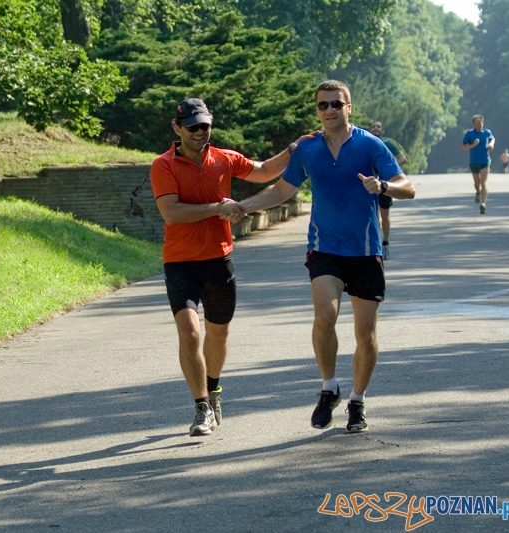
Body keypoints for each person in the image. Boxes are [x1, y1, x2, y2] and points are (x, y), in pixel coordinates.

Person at [238, 80, 416, 433]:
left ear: (349, 107)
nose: (330, 110)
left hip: (365, 251)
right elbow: (280, 191)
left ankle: (357, 400)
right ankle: (328, 387)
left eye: (337, 104)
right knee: (325, 317)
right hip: (325, 249)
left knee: (365, 336)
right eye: (323, 105)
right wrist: (242, 205)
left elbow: (407, 187)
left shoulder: (370, 145)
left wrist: (382, 186)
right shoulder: (308, 150)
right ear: (317, 110)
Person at [150, 98, 314, 437]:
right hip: (180, 262)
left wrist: (293, 149)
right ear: (177, 128)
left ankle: (213, 389)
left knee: (219, 332)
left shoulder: (224, 158)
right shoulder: (163, 165)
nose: (200, 131)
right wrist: (217, 207)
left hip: (218, 259)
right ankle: (201, 408)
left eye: (205, 125)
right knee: (190, 333)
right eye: (193, 126)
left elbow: (265, 171)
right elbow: (172, 213)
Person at [369, 121, 407, 260]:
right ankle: (376, 245)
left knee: (384, 215)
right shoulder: (366, 144)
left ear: (383, 131)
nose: (375, 128)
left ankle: (385, 242)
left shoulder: (388, 144)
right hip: (370, 185)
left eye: (378, 127)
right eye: (373, 127)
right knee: (373, 216)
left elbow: (403, 159)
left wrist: (388, 168)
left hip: (385, 185)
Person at [461, 115, 495, 214]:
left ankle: (483, 204)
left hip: (485, 161)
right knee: (477, 183)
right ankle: (477, 191)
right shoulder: (470, 133)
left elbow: (492, 138)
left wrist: (491, 144)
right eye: (476, 123)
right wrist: (473, 145)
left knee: (483, 182)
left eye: (480, 123)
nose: (478, 125)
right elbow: (463, 147)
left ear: (482, 123)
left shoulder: (487, 132)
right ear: (473, 124)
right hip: (474, 162)